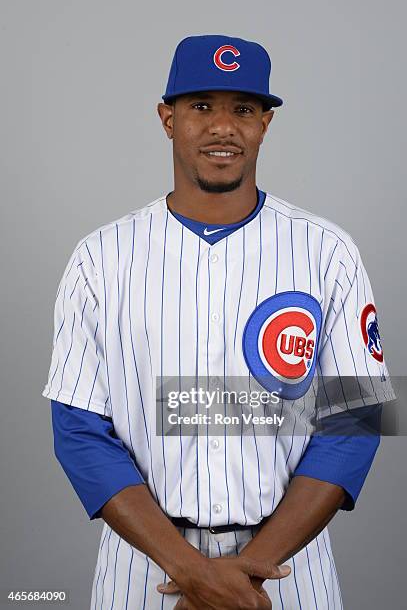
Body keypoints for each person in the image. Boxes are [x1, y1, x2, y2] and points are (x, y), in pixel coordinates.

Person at [42, 35, 395, 609]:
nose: (222, 127)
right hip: (145, 566)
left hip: (287, 567)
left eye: (243, 109)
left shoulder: (327, 250)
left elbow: (356, 420)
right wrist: (192, 573)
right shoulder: (100, 257)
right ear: (167, 117)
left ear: (265, 124)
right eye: (201, 106)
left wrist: (245, 576)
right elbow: (78, 430)